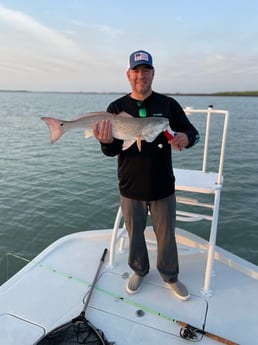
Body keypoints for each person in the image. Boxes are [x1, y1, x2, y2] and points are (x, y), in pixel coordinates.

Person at [93, 50, 199, 301]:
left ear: (153, 73)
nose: (141, 75)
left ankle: (170, 276)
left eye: (146, 70)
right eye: (136, 71)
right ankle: (139, 270)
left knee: (166, 235)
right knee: (135, 234)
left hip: (163, 184)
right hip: (130, 185)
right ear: (128, 74)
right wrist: (106, 142)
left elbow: (192, 132)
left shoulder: (168, 105)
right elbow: (111, 151)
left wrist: (187, 138)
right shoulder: (116, 107)